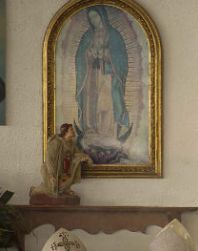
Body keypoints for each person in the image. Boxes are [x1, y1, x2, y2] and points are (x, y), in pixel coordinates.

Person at [75, 5, 132, 163]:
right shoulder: (88, 36)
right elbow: (79, 58)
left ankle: (108, 136)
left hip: (108, 77)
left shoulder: (114, 35)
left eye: (96, 17)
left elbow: (121, 59)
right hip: (91, 77)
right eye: (91, 18)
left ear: (102, 16)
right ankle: (91, 133)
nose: (94, 21)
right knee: (91, 104)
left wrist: (107, 55)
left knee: (106, 105)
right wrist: (89, 55)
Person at [30, 123, 92, 201]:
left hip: (64, 170)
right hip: (52, 170)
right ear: (65, 132)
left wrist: (85, 157)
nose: (73, 131)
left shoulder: (71, 143)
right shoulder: (56, 142)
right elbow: (49, 159)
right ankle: (34, 190)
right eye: (71, 130)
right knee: (51, 190)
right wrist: (52, 175)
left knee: (62, 185)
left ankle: (65, 190)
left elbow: (76, 154)